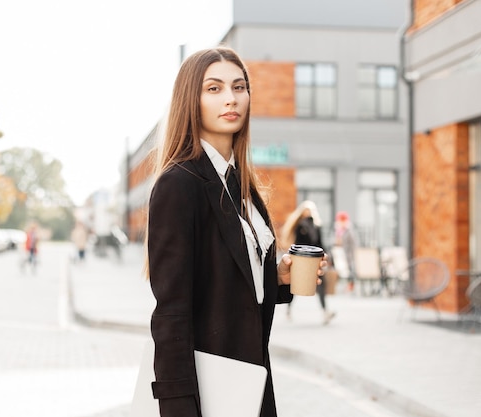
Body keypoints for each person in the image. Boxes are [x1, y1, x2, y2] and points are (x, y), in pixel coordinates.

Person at [145, 46, 327, 417]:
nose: (231, 99)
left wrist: (276, 277)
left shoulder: (242, 187)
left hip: (250, 380)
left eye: (239, 87)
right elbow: (171, 311)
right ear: (190, 101)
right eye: (214, 89)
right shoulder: (179, 184)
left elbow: (229, 283)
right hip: (207, 389)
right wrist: (177, 405)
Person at [280, 200, 335, 324]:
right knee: (296, 285)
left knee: (321, 284)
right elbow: (298, 243)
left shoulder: (316, 226)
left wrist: (327, 257)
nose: (308, 212)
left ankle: (325, 311)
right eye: (306, 210)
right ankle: (288, 308)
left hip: (315, 259)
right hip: (302, 259)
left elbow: (320, 243)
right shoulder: (300, 226)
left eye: (309, 210)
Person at [334, 211, 357, 292]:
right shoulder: (338, 231)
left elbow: (353, 244)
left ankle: (350, 285)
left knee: (350, 270)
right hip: (340, 253)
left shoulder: (349, 231)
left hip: (348, 254)